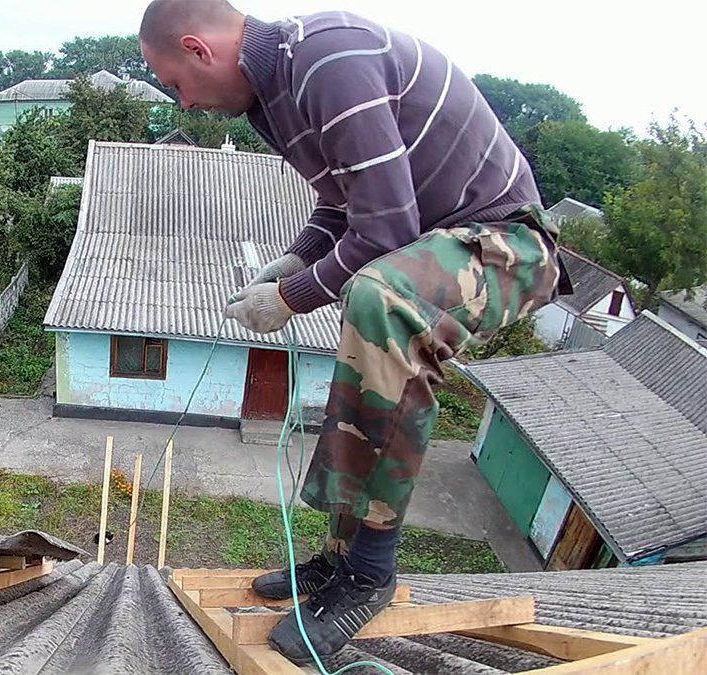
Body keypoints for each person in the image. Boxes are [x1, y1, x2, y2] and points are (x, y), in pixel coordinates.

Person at [140, 0, 569, 662]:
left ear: (199, 49)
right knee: (366, 327)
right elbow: (344, 205)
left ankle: (372, 570)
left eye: (175, 84)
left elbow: (387, 232)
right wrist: (297, 256)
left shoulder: (326, 59)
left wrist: (290, 296)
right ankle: (340, 560)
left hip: (506, 241)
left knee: (380, 299)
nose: (185, 103)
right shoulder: (273, 97)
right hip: (435, 243)